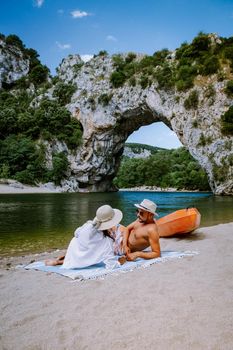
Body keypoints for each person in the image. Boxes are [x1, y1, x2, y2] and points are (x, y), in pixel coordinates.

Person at [45, 204, 127, 269]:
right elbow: (111, 265)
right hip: (85, 259)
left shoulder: (89, 225)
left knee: (79, 242)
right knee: (99, 251)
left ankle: (63, 259)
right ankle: (61, 262)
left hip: (74, 251)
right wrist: (120, 261)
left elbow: (76, 234)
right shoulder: (107, 241)